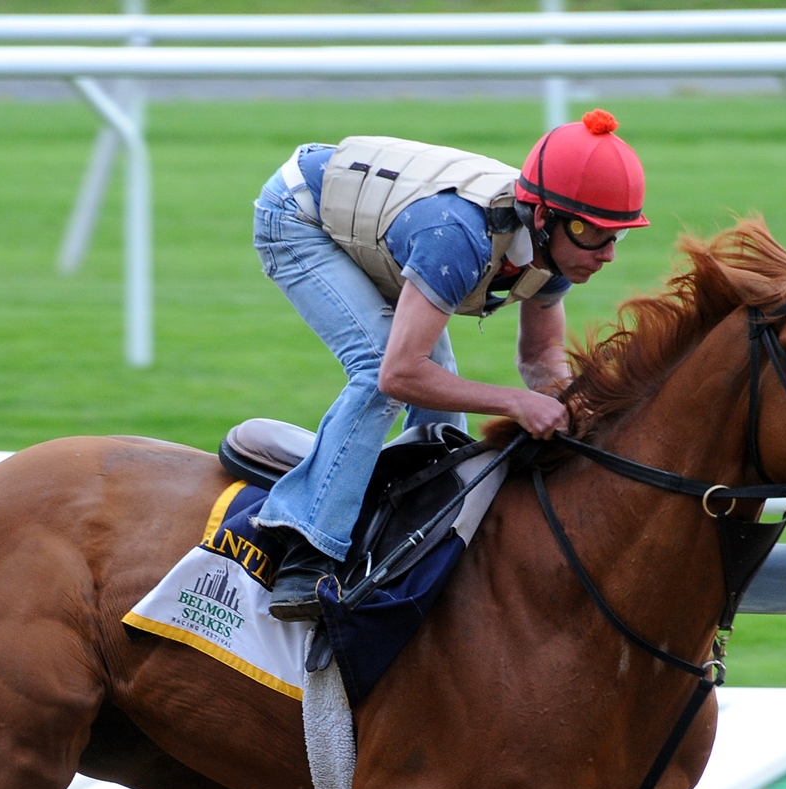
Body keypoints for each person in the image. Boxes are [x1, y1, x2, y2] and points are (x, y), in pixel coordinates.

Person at [251, 109, 648, 621]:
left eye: (618, 236)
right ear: (545, 218)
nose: (608, 254)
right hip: (299, 214)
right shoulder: (459, 237)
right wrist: (515, 403)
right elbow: (400, 374)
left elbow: (541, 357)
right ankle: (306, 550)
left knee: (434, 372)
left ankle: (427, 511)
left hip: (386, 226)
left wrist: (575, 413)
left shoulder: (556, 251)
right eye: (594, 233)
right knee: (381, 371)